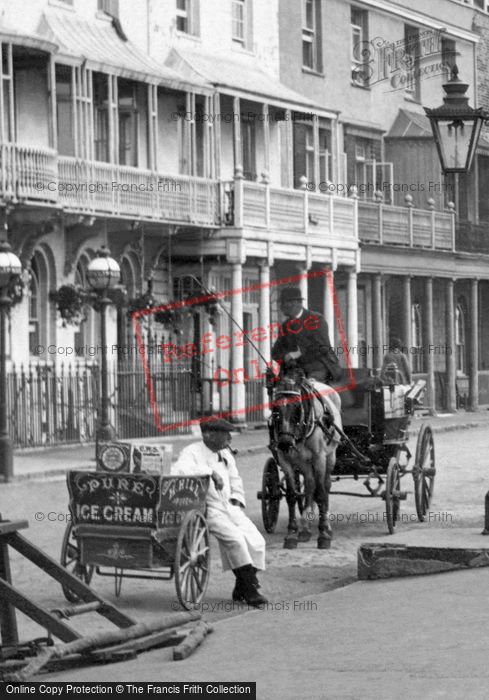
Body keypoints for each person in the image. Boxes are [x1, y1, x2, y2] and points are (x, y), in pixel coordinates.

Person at [172, 417, 267, 607]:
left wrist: (237, 500)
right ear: (209, 435)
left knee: (257, 541)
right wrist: (209, 472)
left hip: (230, 507)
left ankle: (241, 586)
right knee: (236, 541)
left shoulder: (225, 455)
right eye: (225, 434)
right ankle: (250, 590)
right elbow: (179, 469)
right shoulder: (192, 452)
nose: (230, 439)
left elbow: (236, 479)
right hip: (208, 508)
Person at [271, 286, 342, 423]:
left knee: (309, 388)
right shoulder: (285, 326)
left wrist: (299, 354)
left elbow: (323, 347)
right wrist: (285, 356)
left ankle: (325, 420)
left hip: (319, 366)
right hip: (295, 372)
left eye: (284, 303)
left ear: (295, 303)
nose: (281, 307)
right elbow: (276, 352)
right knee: (283, 393)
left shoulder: (316, 319)